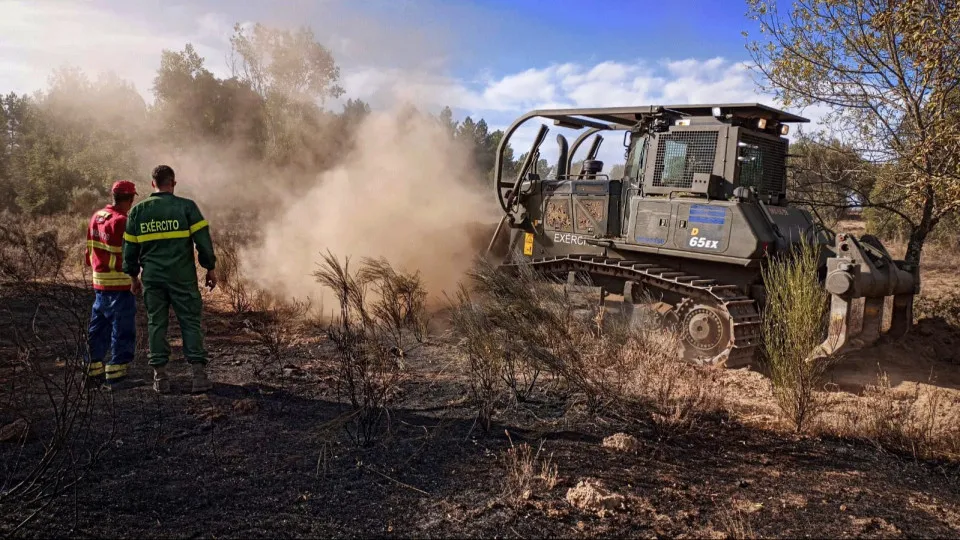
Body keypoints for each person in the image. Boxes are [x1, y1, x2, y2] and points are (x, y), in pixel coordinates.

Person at [122, 165, 218, 394]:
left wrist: (133, 276)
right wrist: (210, 268)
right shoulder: (187, 207)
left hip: (153, 279)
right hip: (182, 278)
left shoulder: (137, 212)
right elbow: (203, 242)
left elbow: (129, 250)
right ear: (173, 183)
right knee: (190, 322)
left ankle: (160, 377)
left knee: (156, 323)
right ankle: (199, 376)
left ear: (152, 183)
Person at [84, 180, 141, 391]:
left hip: (99, 284)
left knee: (98, 329)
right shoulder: (123, 221)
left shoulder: (97, 216)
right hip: (119, 285)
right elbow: (129, 256)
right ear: (131, 199)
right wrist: (135, 279)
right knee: (122, 329)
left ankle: (92, 373)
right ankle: (117, 376)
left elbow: (88, 252)